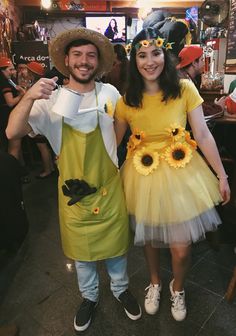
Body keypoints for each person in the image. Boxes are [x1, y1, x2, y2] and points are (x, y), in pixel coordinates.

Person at [6, 27, 141, 332]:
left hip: (109, 187)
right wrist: (28, 96)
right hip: (74, 194)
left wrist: (113, 156)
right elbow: (12, 132)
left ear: (98, 62)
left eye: (91, 56)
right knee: (82, 254)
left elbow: (121, 122)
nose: (84, 61)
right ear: (66, 60)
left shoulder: (109, 93)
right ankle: (89, 297)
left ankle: (121, 289)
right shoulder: (48, 99)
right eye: (77, 55)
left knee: (117, 248)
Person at [114, 27, 230, 322]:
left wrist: (222, 175)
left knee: (181, 249)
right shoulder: (126, 99)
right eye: (142, 55)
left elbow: (202, 134)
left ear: (165, 55)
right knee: (149, 237)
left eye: (155, 53)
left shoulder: (184, 89)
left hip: (181, 169)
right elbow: (110, 143)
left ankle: (176, 286)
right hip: (142, 173)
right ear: (134, 61)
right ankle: (154, 281)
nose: (149, 61)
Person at [26, 61, 55, 179]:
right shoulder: (42, 84)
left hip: (38, 118)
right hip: (44, 118)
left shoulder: (36, 86)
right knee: (46, 146)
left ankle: (48, 170)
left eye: (26, 70)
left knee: (42, 146)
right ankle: (51, 167)